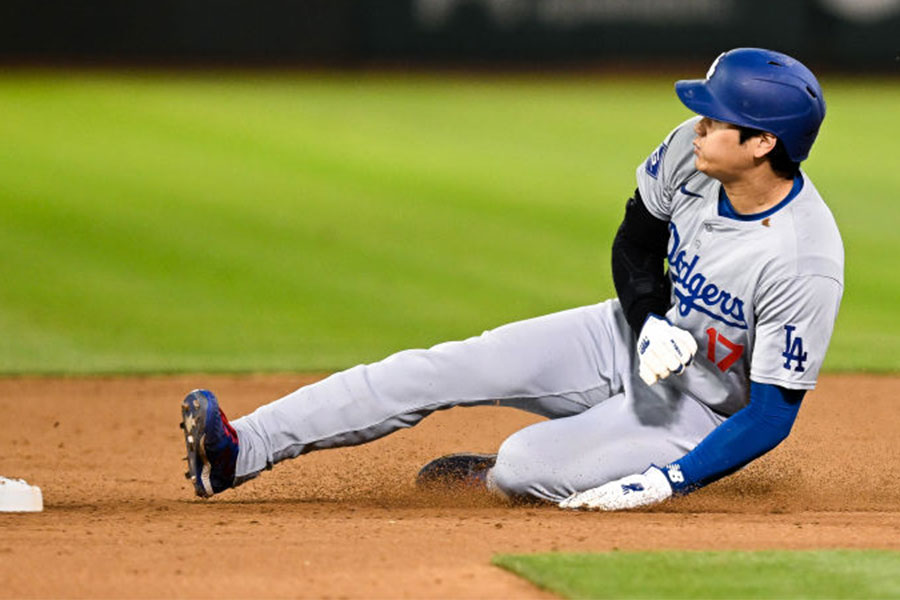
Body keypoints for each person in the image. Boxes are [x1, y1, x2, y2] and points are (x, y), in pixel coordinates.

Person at [180, 48, 843, 511]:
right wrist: (644, 320)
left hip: (696, 410)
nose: (699, 123)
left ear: (761, 144)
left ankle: (509, 480)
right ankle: (239, 450)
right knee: (438, 368)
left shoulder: (801, 258)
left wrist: (670, 480)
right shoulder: (689, 151)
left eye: (717, 115)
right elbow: (635, 241)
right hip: (629, 338)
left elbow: (770, 416)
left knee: (526, 462)